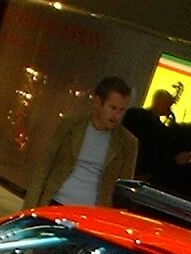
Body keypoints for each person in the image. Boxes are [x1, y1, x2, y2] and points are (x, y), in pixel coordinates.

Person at [22, 76, 138, 209]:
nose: (116, 116)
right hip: (55, 202)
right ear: (97, 102)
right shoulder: (70, 125)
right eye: (112, 108)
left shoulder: (127, 143)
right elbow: (45, 166)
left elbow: (124, 193)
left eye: (122, 110)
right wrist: (29, 208)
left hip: (92, 214)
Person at [122, 89, 177, 179]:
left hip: (139, 167)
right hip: (134, 165)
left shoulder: (134, 113)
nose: (168, 107)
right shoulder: (136, 115)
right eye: (166, 104)